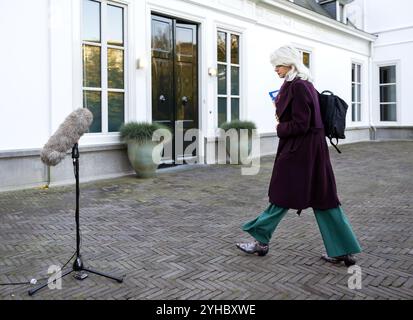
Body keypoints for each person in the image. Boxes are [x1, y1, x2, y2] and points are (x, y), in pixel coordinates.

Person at [236, 45, 361, 266]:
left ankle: (261, 242)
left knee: (282, 196)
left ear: (290, 64)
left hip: (299, 153)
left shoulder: (299, 87)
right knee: (324, 200)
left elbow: (301, 124)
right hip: (312, 152)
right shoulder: (304, 85)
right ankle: (343, 250)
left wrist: (279, 127)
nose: (276, 70)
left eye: (278, 65)